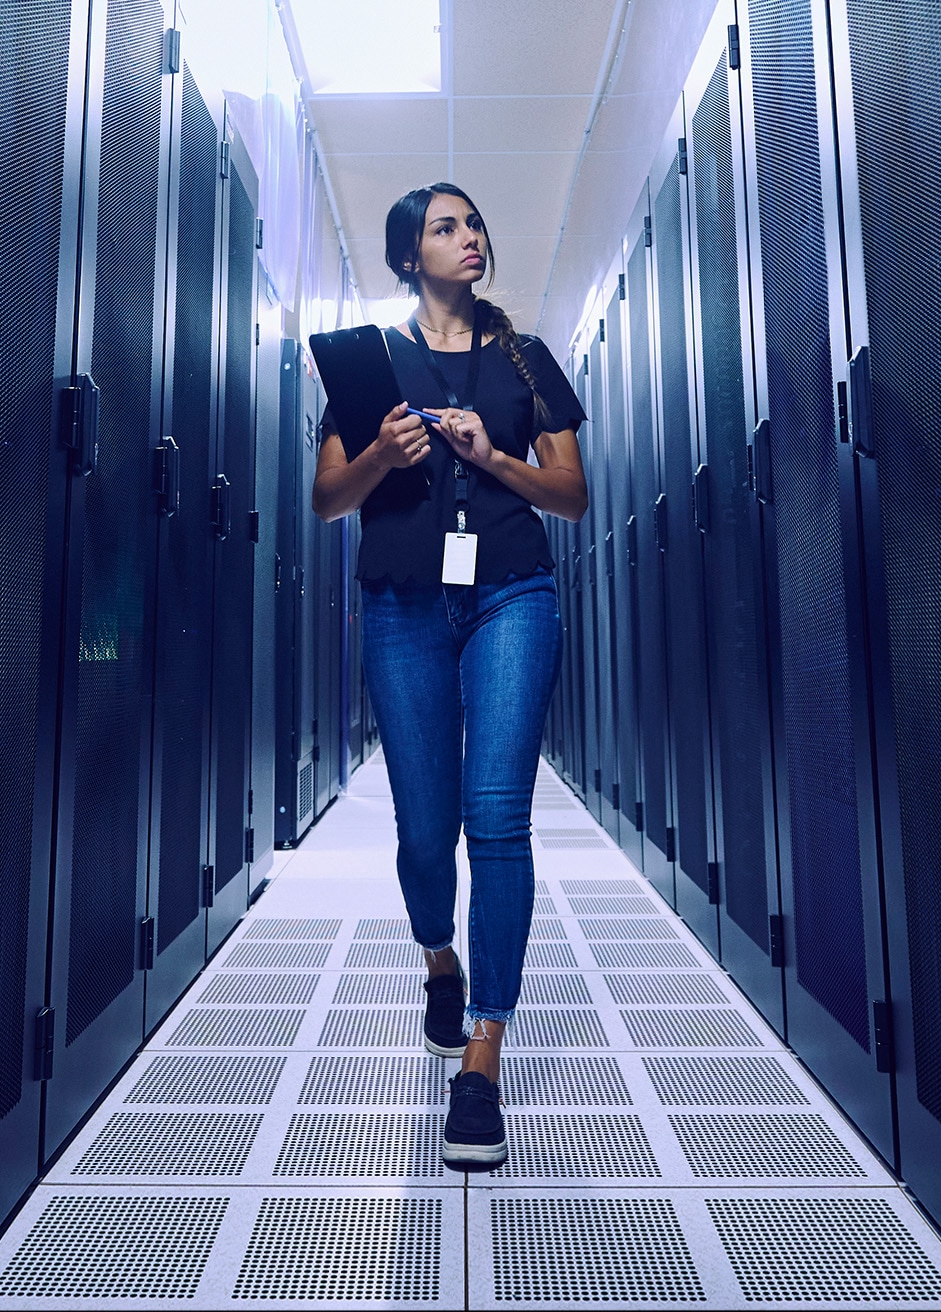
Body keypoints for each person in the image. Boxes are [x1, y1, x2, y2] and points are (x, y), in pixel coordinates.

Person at [310, 183, 588, 1170]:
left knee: (495, 820)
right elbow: (324, 499)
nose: (468, 237)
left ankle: (482, 1058)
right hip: (401, 604)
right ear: (405, 257)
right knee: (423, 829)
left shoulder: (524, 360)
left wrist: (495, 454)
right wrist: (382, 456)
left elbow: (571, 495)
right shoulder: (365, 360)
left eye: (473, 222)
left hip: (510, 593)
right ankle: (438, 956)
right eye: (444, 227)